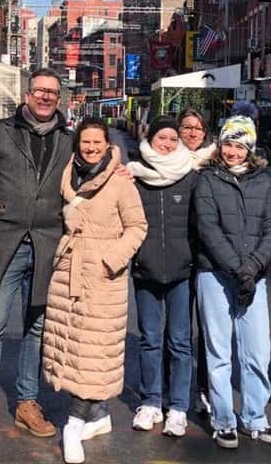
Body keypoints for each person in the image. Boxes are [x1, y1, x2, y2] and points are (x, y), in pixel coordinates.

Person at [0, 68, 73, 445]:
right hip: (3, 241)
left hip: (47, 244)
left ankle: (27, 402)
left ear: (59, 99)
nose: (45, 97)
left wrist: (118, 166)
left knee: (37, 327)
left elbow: (91, 175)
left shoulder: (67, 139)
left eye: (52, 93)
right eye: (39, 90)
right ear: (27, 94)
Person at [42, 117, 147, 464]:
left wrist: (109, 260)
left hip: (103, 278)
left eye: (96, 143)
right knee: (72, 350)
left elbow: (137, 226)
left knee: (92, 354)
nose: (89, 149)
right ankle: (98, 415)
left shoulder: (119, 181)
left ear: (107, 145)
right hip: (67, 271)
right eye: (84, 143)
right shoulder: (67, 176)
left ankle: (73, 424)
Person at [194, 115, 271, 450]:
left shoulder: (265, 182)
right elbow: (208, 228)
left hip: (254, 276)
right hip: (215, 274)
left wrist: (254, 266)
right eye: (228, 144)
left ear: (251, 147)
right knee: (219, 352)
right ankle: (223, 420)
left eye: (240, 145)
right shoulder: (207, 180)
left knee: (257, 351)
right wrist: (237, 268)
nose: (233, 151)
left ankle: (255, 417)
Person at [125, 117, 199, 437]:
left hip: (182, 271)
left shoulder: (191, 176)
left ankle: (178, 406)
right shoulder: (133, 175)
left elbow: (201, 224)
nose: (167, 144)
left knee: (180, 342)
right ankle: (151, 401)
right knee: (151, 340)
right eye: (161, 138)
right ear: (150, 139)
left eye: (172, 138)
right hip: (146, 270)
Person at [175, 108, 214, 415]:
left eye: (197, 129)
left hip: (206, 256)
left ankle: (204, 388)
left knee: (207, 328)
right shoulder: (163, 162)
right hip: (174, 255)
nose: (191, 133)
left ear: (205, 134)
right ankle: (171, 388)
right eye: (186, 127)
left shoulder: (214, 165)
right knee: (175, 329)